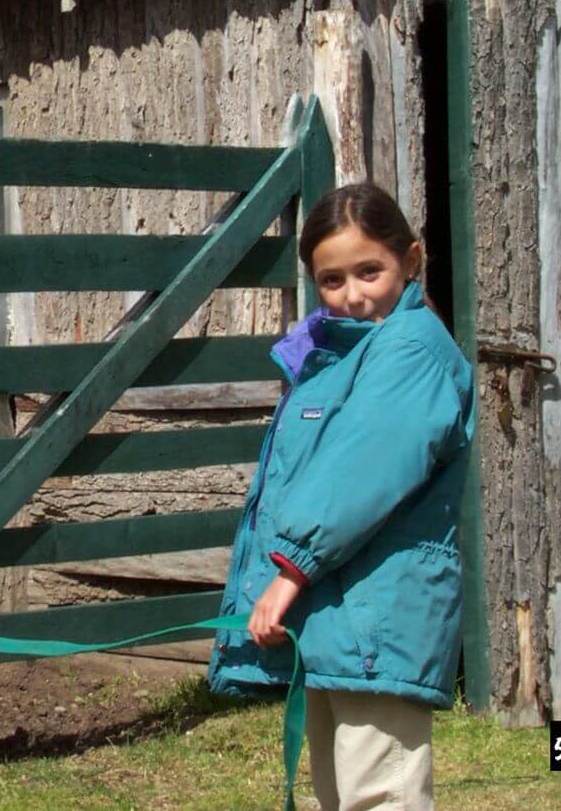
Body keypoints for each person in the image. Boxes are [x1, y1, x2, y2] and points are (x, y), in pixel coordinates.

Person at [208, 183, 476, 811]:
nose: (353, 294)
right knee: (339, 794)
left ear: (411, 260)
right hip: (339, 617)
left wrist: (289, 572)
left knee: (378, 796)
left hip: (378, 616)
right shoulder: (349, 354)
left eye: (369, 271)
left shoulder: (412, 349)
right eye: (332, 280)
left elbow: (361, 471)